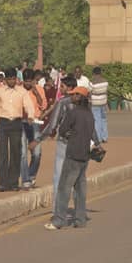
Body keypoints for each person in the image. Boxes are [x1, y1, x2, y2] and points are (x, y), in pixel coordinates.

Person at [46, 86, 96, 230]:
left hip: (73, 154)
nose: (72, 97)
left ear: (79, 97)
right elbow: (93, 134)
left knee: (64, 188)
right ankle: (80, 220)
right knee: (80, 190)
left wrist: (69, 134)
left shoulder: (74, 113)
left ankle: (58, 220)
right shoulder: (89, 114)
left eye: (74, 95)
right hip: (85, 156)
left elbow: (62, 130)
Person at [89, 67, 110, 145]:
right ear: (100, 73)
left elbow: (89, 91)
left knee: (97, 120)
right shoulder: (105, 81)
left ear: (93, 73)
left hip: (95, 103)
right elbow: (106, 91)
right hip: (104, 102)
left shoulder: (92, 82)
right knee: (103, 120)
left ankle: (98, 138)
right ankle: (105, 137)